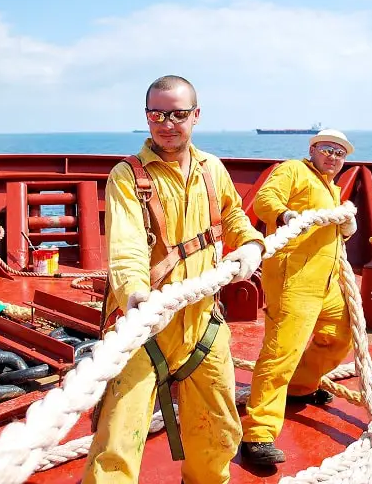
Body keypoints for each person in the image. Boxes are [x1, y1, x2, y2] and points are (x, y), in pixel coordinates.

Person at [82, 75, 266, 484]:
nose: (167, 123)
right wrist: (133, 294)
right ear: (146, 117)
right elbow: (126, 247)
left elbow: (232, 216)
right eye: (157, 114)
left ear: (196, 116)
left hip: (203, 321)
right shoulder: (127, 177)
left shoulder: (212, 170)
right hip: (146, 325)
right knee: (117, 441)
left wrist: (251, 243)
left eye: (178, 114)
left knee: (220, 430)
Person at [239, 129, 356, 465]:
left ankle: (302, 386)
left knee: (339, 335)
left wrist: (345, 224)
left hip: (328, 283)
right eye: (327, 149)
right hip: (296, 282)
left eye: (340, 152)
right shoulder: (293, 170)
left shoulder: (331, 187)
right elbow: (264, 201)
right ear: (312, 149)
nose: (333, 156)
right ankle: (258, 435)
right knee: (280, 355)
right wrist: (286, 215)